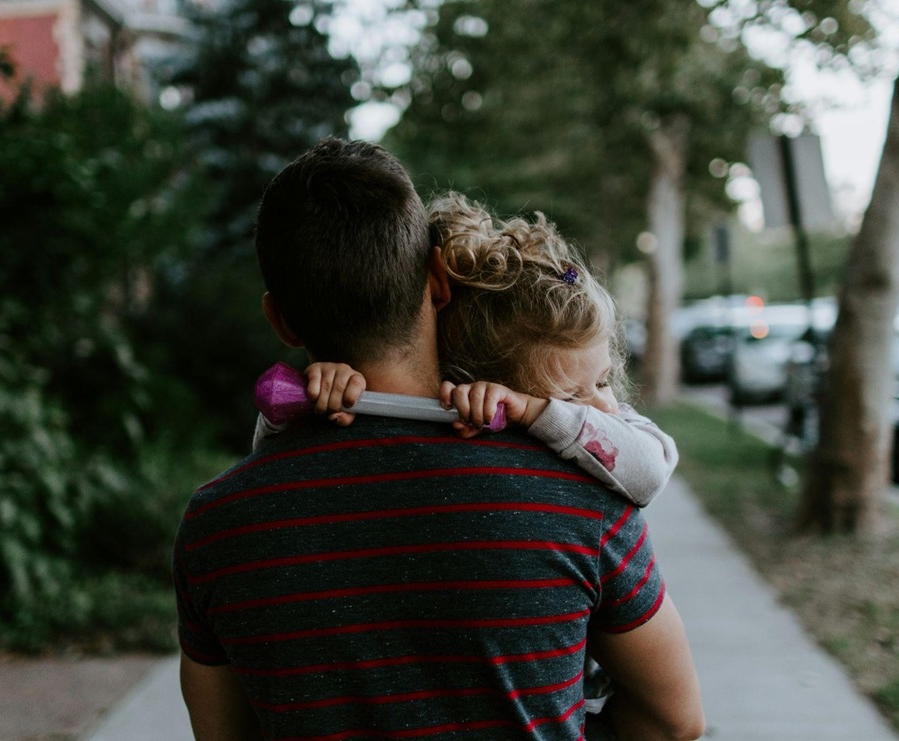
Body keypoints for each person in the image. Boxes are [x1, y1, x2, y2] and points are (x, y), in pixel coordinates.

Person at [173, 137, 704, 740]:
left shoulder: (217, 525)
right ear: (437, 277)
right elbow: (673, 721)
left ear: (281, 320)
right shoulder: (580, 493)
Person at [254, 191, 679, 717]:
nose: (601, 406)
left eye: (604, 380)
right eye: (570, 398)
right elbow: (266, 464)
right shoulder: (528, 465)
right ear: (482, 394)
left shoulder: (604, 428)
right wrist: (302, 408)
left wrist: (539, 411)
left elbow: (653, 468)